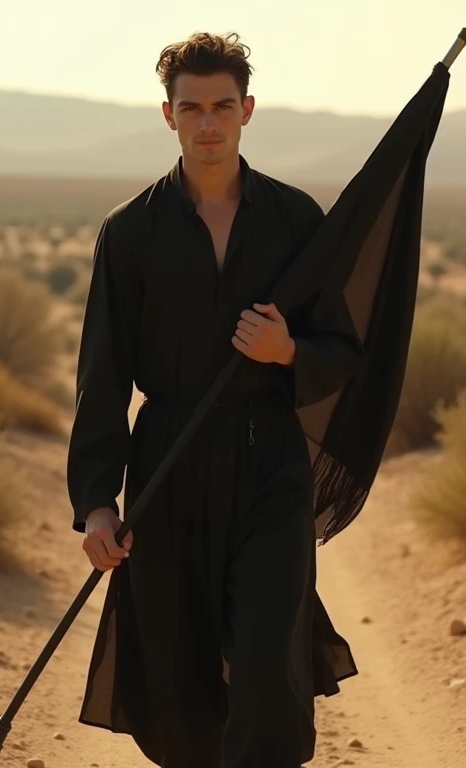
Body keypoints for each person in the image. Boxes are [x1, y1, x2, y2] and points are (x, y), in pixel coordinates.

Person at [67, 31, 365, 768]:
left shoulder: (298, 221)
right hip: (167, 462)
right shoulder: (130, 232)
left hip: (271, 466)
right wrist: (99, 503)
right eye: (191, 107)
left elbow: (344, 351)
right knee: (182, 678)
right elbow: (100, 378)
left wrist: (288, 351)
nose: (208, 122)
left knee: (265, 660)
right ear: (167, 114)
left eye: (222, 106)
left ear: (248, 109)